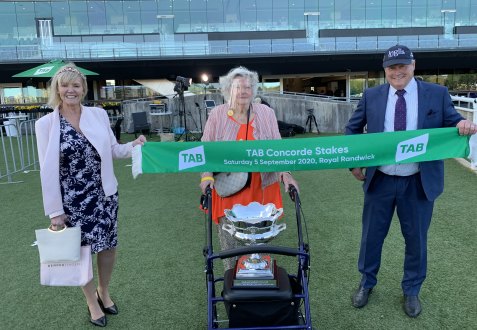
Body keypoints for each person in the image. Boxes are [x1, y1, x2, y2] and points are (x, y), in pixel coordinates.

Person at [345, 45, 477, 318]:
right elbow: (353, 129)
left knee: (416, 240)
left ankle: (412, 290)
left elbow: (452, 122)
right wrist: (354, 162)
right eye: (392, 68)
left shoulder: (437, 94)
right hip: (380, 180)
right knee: (371, 238)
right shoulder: (371, 96)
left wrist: (462, 126)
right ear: (385, 70)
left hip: (418, 182)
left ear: (413, 65)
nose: (397, 72)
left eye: (402, 66)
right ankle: (366, 283)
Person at [35, 64, 146, 327]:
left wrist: (135, 146)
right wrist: (55, 211)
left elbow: (114, 150)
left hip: (105, 195)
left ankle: (104, 291)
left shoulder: (98, 115)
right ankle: (91, 300)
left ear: (83, 89)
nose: (70, 90)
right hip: (72, 201)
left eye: (76, 85)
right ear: (57, 89)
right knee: (81, 251)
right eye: (65, 85)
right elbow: (47, 170)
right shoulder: (46, 124)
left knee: (107, 247)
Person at [200, 66, 299, 270]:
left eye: (248, 87)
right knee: (230, 248)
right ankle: (231, 283)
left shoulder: (266, 113)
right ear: (228, 89)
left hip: (261, 190)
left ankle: (257, 284)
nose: (243, 91)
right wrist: (206, 177)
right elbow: (205, 150)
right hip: (229, 189)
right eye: (238, 87)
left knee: (258, 247)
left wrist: (286, 175)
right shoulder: (217, 115)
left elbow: (278, 149)